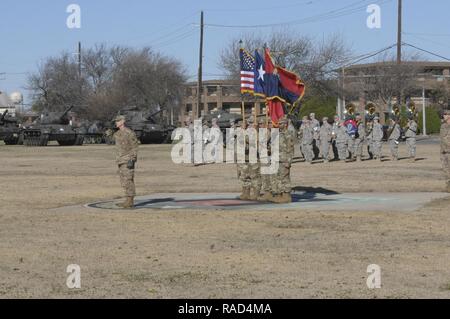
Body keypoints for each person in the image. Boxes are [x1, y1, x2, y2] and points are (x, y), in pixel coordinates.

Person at [113, 115, 139, 209]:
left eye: (118, 121)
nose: (116, 122)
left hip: (127, 159)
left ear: (122, 121)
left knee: (128, 180)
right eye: (116, 121)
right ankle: (127, 199)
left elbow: (134, 146)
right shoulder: (117, 133)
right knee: (123, 181)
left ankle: (130, 200)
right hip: (120, 159)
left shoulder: (129, 133)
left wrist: (132, 159)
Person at [271, 116, 295, 203]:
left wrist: (288, 161)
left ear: (285, 124)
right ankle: (281, 195)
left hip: (284, 160)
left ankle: (287, 196)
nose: (278, 125)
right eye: (279, 123)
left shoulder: (288, 134)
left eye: (280, 124)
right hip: (278, 159)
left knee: (285, 178)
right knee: (279, 178)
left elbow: (290, 149)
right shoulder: (279, 134)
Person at [440, 110, 450, 192]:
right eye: (444, 114)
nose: (444, 116)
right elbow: (443, 138)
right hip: (444, 151)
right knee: (445, 169)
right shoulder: (443, 125)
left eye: (446, 114)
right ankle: (448, 185)